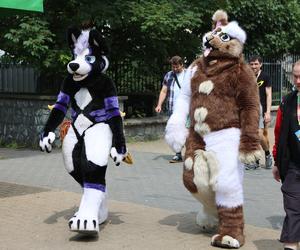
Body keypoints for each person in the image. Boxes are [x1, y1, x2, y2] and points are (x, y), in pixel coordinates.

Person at [272, 60, 300, 250]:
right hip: (293, 166)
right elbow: (279, 132)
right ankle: (291, 245)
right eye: (295, 76)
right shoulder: (287, 101)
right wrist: (276, 161)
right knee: (293, 209)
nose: (297, 80)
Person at [155, 55, 186, 163]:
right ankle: (178, 154)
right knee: (175, 132)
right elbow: (164, 91)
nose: (175, 69)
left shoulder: (188, 75)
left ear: (182, 65)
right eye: (173, 67)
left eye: (177, 67)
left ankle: (191, 153)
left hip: (186, 109)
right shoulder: (169, 75)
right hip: (173, 109)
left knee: (188, 131)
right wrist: (159, 105)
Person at [249, 55, 273, 169]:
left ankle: (267, 154)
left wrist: (268, 112)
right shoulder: (247, 76)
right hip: (249, 109)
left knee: (260, 134)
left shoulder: (265, 76)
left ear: (260, 64)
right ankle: (255, 160)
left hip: (261, 108)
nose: (254, 66)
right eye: (252, 64)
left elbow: (269, 95)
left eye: (256, 64)